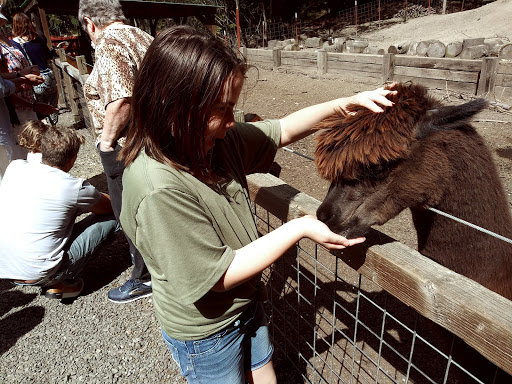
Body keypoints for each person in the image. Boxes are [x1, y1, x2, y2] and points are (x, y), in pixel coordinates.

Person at [119, 25, 396, 384]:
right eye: (222, 109)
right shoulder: (158, 189)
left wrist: (346, 104)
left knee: (264, 370)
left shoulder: (215, 144)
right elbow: (219, 276)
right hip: (207, 331)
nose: (231, 122)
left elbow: (283, 129)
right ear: (175, 104)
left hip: (246, 301)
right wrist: (298, 227)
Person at [78, 0, 154, 303]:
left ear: (89, 23)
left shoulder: (109, 44)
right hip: (154, 143)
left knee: (129, 214)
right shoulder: (144, 38)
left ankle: (144, 278)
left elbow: (122, 100)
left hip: (127, 148)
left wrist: (106, 143)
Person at [0, 122, 118, 299]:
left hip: (6, 270)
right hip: (39, 273)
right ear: (73, 158)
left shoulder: (15, 166)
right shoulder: (73, 186)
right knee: (115, 214)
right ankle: (62, 281)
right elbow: (109, 205)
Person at [11, 12, 59, 125]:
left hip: (34, 80)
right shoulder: (40, 37)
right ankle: (54, 128)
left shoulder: (15, 43)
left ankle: (45, 131)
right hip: (49, 77)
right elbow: (48, 56)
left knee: (40, 110)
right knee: (52, 107)